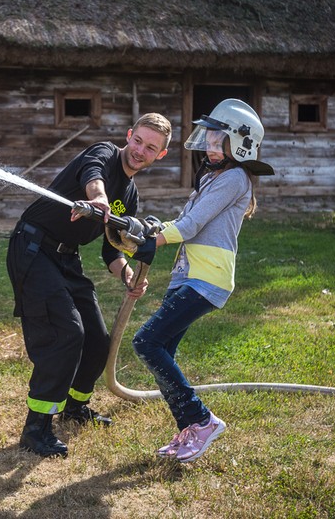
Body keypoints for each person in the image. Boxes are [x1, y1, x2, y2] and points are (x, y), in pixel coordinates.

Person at [111, 99, 274, 463]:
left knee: (146, 342)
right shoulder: (214, 176)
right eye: (210, 140)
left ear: (241, 145)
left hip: (207, 279)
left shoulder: (233, 178)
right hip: (189, 275)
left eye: (220, 142)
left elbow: (189, 227)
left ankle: (201, 420)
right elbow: (183, 220)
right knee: (162, 351)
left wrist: (153, 238)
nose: (211, 147)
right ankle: (188, 428)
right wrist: (151, 229)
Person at [6, 113, 172, 458]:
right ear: (129, 135)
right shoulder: (105, 154)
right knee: (66, 333)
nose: (140, 150)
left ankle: (76, 407)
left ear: (161, 155)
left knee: (98, 338)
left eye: (150, 148)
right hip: (34, 247)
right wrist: (98, 199)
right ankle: (36, 428)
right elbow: (91, 174)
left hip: (67, 259)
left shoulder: (131, 194)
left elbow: (112, 246)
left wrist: (126, 273)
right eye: (138, 140)